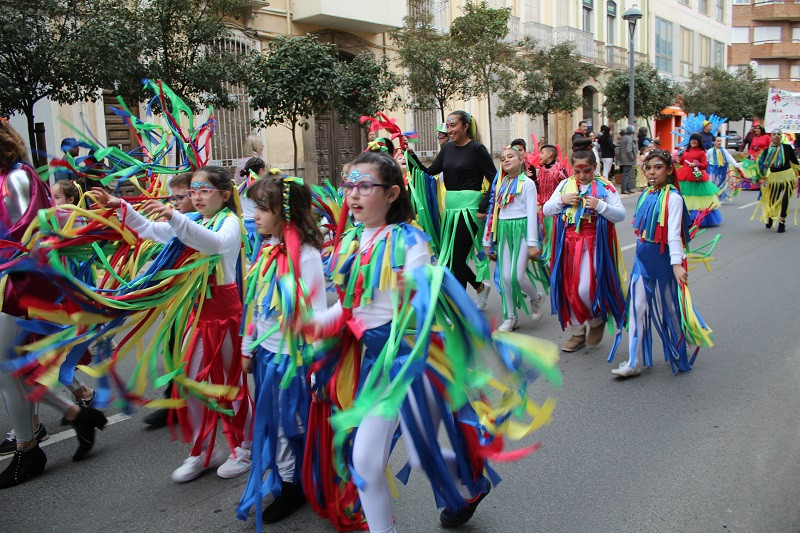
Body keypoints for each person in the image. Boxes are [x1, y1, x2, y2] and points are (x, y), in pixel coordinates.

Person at [308, 151, 495, 533]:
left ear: (392, 193)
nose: (353, 195)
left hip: (412, 361)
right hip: (377, 364)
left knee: (423, 456)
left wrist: (415, 284)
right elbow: (347, 310)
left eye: (365, 186)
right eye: (349, 186)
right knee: (364, 463)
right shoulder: (351, 241)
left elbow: (421, 293)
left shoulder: (410, 240)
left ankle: (470, 482)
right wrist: (308, 325)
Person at [92, 167, 253, 483]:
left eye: (204, 189)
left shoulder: (230, 223)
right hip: (197, 314)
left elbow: (215, 245)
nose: (196, 195)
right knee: (190, 384)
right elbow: (153, 231)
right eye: (193, 190)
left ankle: (244, 447)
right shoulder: (194, 222)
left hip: (226, 314)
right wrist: (121, 207)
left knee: (231, 386)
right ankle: (202, 451)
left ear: (223, 193)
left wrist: (175, 217)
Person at [0, 121, 107, 489]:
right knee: (14, 367)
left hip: (19, 285)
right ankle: (63, 420)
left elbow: (22, 237)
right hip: (15, 282)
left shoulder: (14, 178)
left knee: (9, 367)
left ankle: (30, 444)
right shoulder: (11, 176)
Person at [236, 176, 326, 527]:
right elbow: (256, 305)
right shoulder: (266, 249)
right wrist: (248, 348)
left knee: (291, 425)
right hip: (266, 358)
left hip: (294, 360)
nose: (254, 215)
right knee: (274, 422)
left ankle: (293, 486)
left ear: (285, 212)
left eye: (262, 208)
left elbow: (317, 315)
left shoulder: (307, 256)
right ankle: (288, 477)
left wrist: (318, 366)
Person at [609, 149, 713, 377]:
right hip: (643, 257)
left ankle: (678, 344)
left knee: (671, 308)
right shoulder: (646, 194)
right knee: (637, 308)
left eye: (658, 167)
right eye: (648, 167)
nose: (652, 172)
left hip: (664, 258)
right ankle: (634, 361)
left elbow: (674, 234)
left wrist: (677, 265)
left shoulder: (674, 198)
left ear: (669, 170)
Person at [543, 138, 626, 353]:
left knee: (584, 288)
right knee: (568, 289)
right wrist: (562, 200)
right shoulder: (564, 186)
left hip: (595, 245)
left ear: (594, 167)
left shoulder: (606, 187)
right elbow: (547, 210)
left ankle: (597, 320)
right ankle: (577, 333)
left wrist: (600, 205)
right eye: (577, 171)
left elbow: (620, 215)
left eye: (587, 171)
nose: (581, 176)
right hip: (568, 245)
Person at [412, 111, 494, 307]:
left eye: (453, 125)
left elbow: (495, 179)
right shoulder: (447, 149)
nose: (449, 130)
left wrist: (483, 206)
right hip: (450, 212)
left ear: (465, 126)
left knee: (455, 261)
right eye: (447, 126)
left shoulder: (477, 149)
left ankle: (458, 308)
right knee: (449, 259)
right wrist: (411, 156)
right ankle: (480, 287)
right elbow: (430, 173)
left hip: (469, 212)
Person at [142, 172, 197, 429]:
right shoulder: (177, 224)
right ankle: (174, 400)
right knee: (174, 347)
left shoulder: (202, 225)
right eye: (171, 197)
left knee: (196, 352)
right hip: (178, 302)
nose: (174, 202)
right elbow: (150, 229)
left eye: (180, 197)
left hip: (200, 303)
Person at [483, 146, 544, 332]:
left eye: (510, 156)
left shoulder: (527, 184)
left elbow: (532, 213)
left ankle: (536, 297)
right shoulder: (500, 184)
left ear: (521, 160)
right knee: (506, 277)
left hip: (522, 230)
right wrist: (487, 241)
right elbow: (494, 212)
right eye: (502, 158)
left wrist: (533, 242)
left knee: (517, 276)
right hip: (504, 230)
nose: (506, 160)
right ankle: (510, 317)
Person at [753, 128, 800, 233]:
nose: (776, 136)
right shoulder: (766, 151)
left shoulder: (787, 148)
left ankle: (782, 221)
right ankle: (770, 215)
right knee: (773, 199)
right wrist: (759, 177)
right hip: (774, 178)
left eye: (778, 134)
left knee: (785, 199)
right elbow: (761, 166)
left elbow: (795, 162)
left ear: (781, 136)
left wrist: (798, 171)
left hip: (788, 177)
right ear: (771, 136)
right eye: (774, 134)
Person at [675, 133, 722, 226]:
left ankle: (696, 218)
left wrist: (696, 164)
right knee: (685, 197)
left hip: (696, 176)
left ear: (699, 142)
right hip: (685, 177)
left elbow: (705, 165)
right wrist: (676, 159)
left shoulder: (701, 152)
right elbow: (681, 162)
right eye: (692, 139)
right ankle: (685, 218)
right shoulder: (686, 151)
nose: (693, 141)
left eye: (695, 140)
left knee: (698, 199)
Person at [239, 157, 269, 261]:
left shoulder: (242, 187)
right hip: (259, 228)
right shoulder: (261, 187)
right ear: (261, 170)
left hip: (245, 229)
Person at [706, 136, 741, 201]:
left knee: (720, 183)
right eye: (717, 141)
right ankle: (711, 197)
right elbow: (705, 159)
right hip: (712, 170)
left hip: (722, 170)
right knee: (711, 183)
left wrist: (736, 165)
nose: (719, 142)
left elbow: (729, 159)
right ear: (714, 142)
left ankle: (719, 197)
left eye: (720, 141)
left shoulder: (724, 151)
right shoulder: (710, 151)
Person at [619, 126, 638, 194]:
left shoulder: (623, 138)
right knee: (626, 174)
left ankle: (627, 188)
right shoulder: (630, 139)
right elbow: (629, 150)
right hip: (628, 159)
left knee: (626, 174)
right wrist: (632, 157)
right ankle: (624, 189)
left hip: (623, 159)